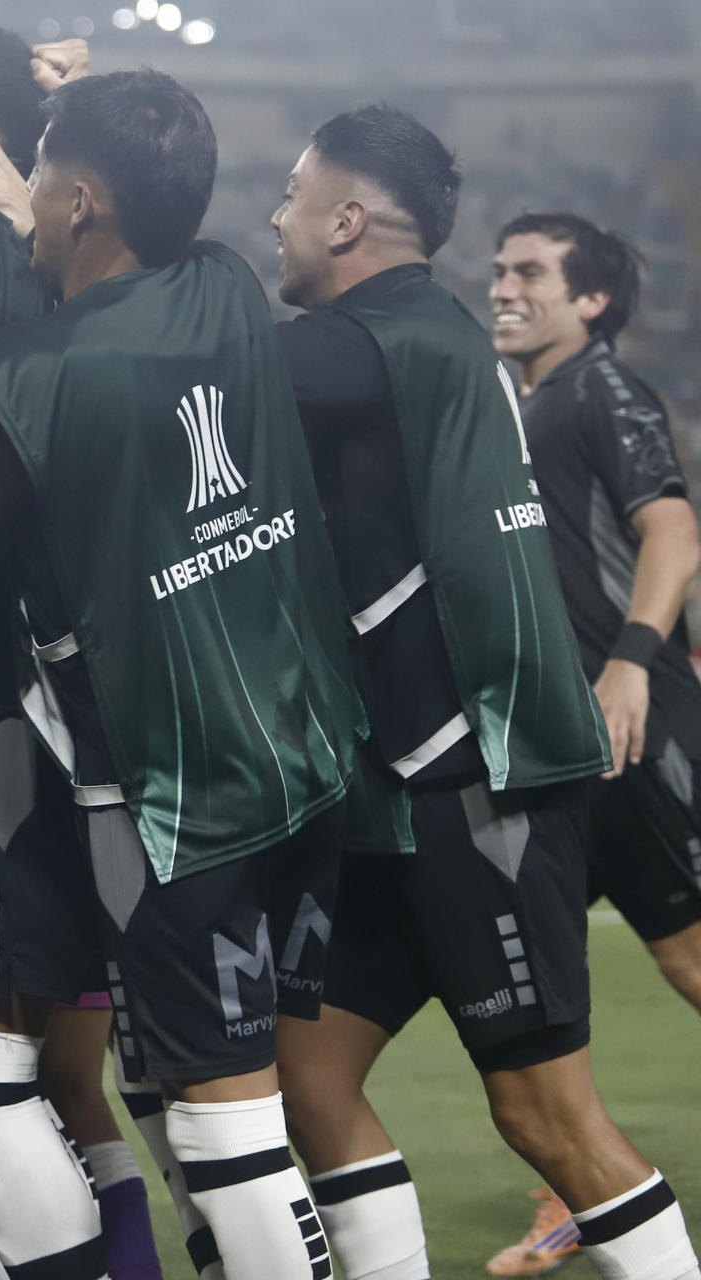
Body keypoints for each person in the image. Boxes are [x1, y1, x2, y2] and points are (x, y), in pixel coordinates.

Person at [0, 69, 364, 1280]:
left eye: (40, 179)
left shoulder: (33, 376)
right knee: (186, 1080)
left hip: (174, 784)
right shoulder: (226, 284)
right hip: (303, 745)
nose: (23, 197)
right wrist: (46, 184)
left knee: (220, 1112)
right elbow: (104, 280)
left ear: (81, 200)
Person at [268, 106, 701, 1280]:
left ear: (348, 216)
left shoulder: (401, 340)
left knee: (549, 1113)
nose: (275, 214)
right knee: (305, 1075)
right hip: (405, 788)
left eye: (294, 193)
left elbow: (672, 524)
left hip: (492, 775)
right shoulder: (448, 353)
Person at [480, 213, 701, 1273]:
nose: (504, 285)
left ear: (592, 301)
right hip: (566, 749)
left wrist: (629, 659)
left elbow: (672, 526)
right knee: (554, 997)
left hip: (641, 728)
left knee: (690, 957)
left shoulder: (602, 389)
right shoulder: (531, 404)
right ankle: (573, 1196)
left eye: (531, 272)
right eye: (500, 268)